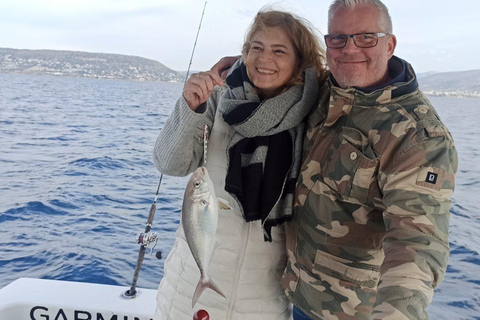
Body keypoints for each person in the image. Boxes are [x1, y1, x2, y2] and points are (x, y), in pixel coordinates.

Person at [280, 1, 458, 319]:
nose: (349, 49)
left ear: (389, 44)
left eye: (366, 37)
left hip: (350, 311)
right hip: (295, 293)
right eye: (338, 38)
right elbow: (268, 73)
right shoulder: (323, 92)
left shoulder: (418, 136)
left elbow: (416, 242)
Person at [152, 10, 328, 320]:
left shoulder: (315, 113)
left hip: (263, 302)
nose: (265, 58)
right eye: (256, 47)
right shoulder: (217, 97)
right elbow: (170, 163)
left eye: (279, 50)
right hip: (188, 297)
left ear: (299, 61)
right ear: (244, 52)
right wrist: (190, 108)